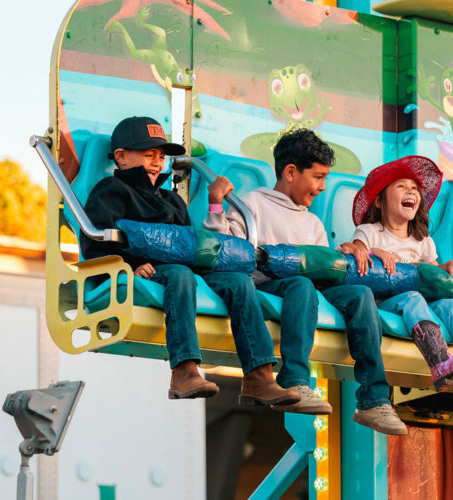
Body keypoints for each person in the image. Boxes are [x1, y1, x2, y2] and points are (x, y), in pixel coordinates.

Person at [81, 116, 299, 409]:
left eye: (160, 157)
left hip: (187, 268)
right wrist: (130, 264)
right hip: (149, 270)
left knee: (237, 281)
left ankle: (259, 375)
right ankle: (184, 371)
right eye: (148, 155)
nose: (157, 163)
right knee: (180, 274)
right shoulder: (111, 191)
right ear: (120, 156)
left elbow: (189, 245)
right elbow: (95, 240)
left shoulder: (171, 200)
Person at [204, 129, 407, 435]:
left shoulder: (312, 222)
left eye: (326, 179)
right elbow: (224, 247)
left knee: (360, 293)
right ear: (290, 172)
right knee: (301, 284)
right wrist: (216, 205)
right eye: (318, 177)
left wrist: (345, 254)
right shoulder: (253, 204)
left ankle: (373, 399)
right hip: (268, 283)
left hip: (310, 288)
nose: (323, 187)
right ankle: (295, 378)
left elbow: (322, 266)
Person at [341, 156, 453, 392]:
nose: (410, 191)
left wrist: (451, 266)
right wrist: (374, 252)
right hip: (385, 304)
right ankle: (440, 363)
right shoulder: (370, 231)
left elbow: (435, 276)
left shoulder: (423, 241)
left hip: (423, 306)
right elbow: (352, 250)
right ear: (379, 200)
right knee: (413, 297)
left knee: (451, 305)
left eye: (414, 188)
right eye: (401, 186)